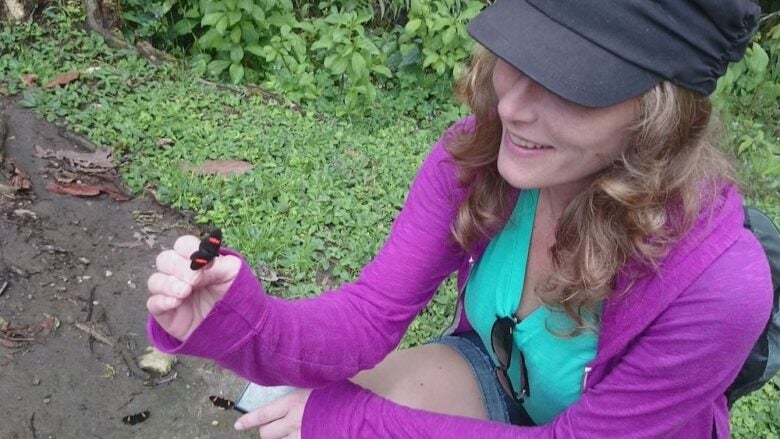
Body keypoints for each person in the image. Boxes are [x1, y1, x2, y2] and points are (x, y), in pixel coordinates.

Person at [145, 0, 774, 437]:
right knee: (307, 412)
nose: (515, 107)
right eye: (518, 58)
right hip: (501, 385)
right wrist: (240, 321)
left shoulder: (719, 286)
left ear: (659, 116)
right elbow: (368, 317)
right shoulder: (479, 157)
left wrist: (353, 425)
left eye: (573, 83)